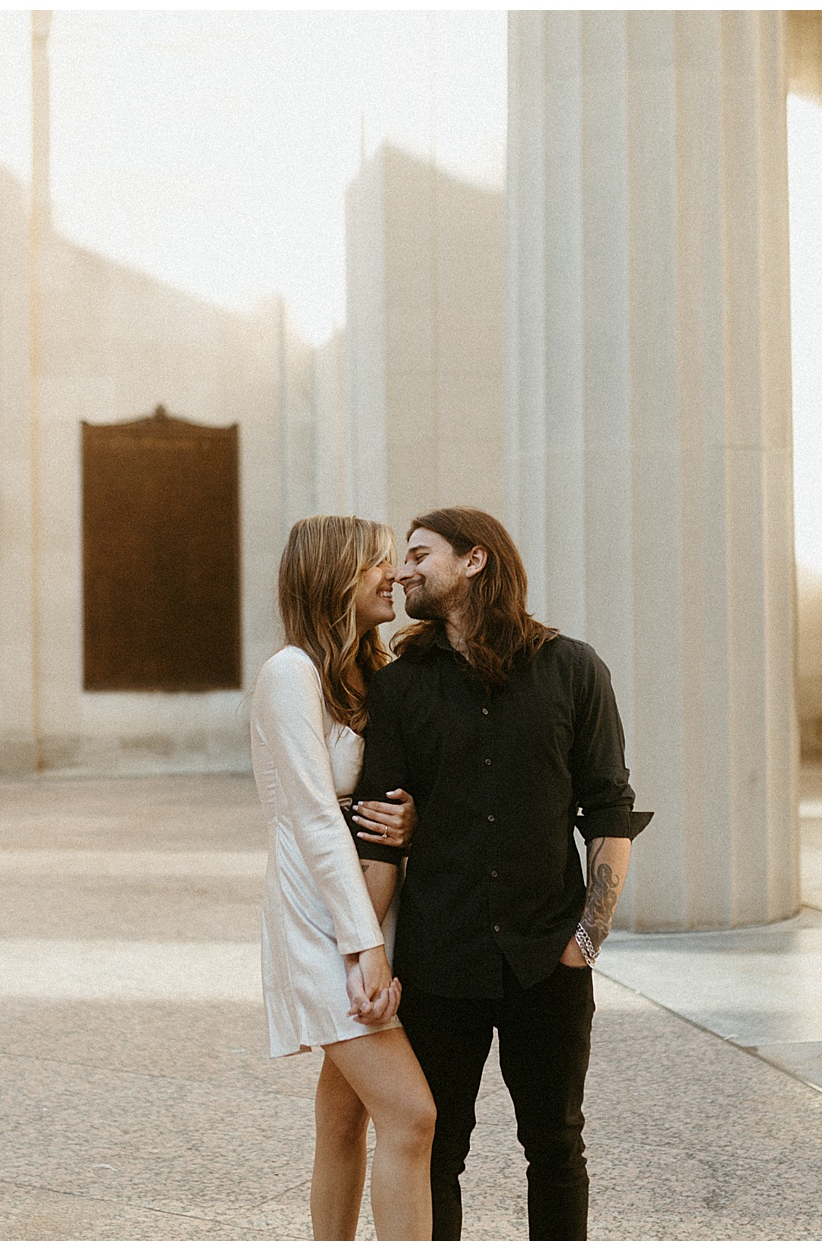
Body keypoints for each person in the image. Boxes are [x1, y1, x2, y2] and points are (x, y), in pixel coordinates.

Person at [352, 506, 651, 1241]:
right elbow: (382, 840)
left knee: (554, 1146)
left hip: (547, 958)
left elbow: (610, 809)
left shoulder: (573, 668)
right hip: (439, 957)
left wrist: (588, 937)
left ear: (475, 560)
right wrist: (369, 950)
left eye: (420, 553)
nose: (403, 570)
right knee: (436, 1150)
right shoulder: (400, 688)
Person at [251, 514, 437, 1241]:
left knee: (343, 1112)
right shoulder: (289, 672)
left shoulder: (376, 671)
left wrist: (412, 819)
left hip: (374, 899)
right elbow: (315, 819)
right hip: (316, 911)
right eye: (377, 563)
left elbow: (392, 788)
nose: (393, 575)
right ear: (333, 575)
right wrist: (366, 947)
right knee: (412, 1114)